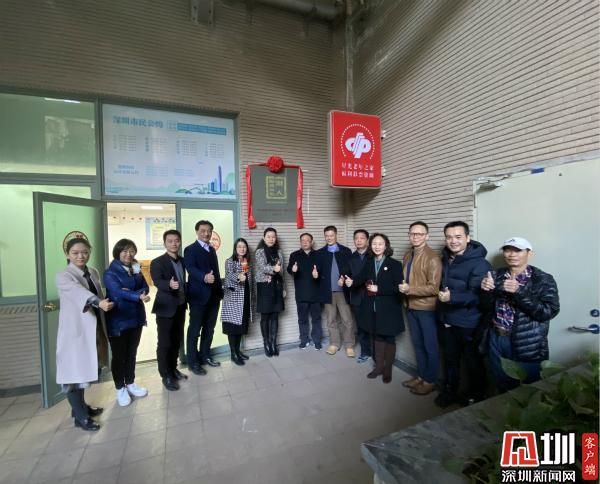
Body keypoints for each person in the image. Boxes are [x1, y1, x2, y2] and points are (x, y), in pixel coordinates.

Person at [481, 237, 559, 392]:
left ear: (530, 254)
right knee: (501, 383)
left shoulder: (542, 279)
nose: (512, 254)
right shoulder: (496, 275)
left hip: (527, 342)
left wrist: (519, 292)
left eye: (518, 250)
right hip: (496, 337)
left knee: (528, 389)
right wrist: (485, 291)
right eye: (508, 250)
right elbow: (485, 307)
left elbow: (548, 312)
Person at [55, 237, 112, 431]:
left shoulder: (92, 272)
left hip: (93, 328)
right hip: (74, 333)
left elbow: (99, 292)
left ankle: (80, 408)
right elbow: (78, 292)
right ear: (67, 254)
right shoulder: (63, 276)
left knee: (84, 371)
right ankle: (81, 418)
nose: (81, 256)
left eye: (85, 252)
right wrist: (98, 302)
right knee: (72, 375)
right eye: (75, 253)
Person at [436, 221, 491, 407]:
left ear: (468, 238)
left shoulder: (481, 264)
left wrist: (452, 298)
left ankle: (477, 396)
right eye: (449, 237)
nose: (453, 241)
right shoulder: (445, 259)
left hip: (468, 323)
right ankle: (449, 391)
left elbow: (479, 296)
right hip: (447, 319)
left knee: (472, 362)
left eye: (458, 237)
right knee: (450, 359)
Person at [345, 233, 404, 383]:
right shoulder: (369, 263)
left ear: (386, 246)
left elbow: (399, 288)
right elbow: (360, 278)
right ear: (370, 246)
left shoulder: (395, 264)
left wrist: (379, 289)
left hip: (389, 309)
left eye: (380, 244)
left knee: (389, 338)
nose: (377, 246)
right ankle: (378, 367)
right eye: (374, 244)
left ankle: (387, 370)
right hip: (373, 308)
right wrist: (352, 282)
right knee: (377, 336)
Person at [103, 239, 150, 407]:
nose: (128, 254)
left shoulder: (136, 269)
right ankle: (120, 388)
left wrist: (131, 292)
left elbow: (146, 287)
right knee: (119, 356)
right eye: (124, 251)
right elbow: (116, 292)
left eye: (131, 251)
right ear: (117, 253)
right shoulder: (110, 273)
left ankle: (130, 383)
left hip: (136, 317)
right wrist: (136, 295)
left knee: (131, 353)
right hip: (118, 319)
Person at [399, 221, 442, 396]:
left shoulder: (433, 258)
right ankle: (421, 376)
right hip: (410, 306)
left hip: (426, 309)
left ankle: (430, 381)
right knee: (417, 344)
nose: (415, 237)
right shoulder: (408, 255)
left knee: (430, 346)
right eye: (412, 234)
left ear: (427, 236)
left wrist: (410, 289)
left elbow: (434, 288)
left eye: (419, 234)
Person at [184, 220, 224, 374]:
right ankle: (192, 362)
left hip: (213, 297)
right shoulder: (190, 249)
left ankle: (205, 356)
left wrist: (220, 291)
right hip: (198, 297)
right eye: (203, 230)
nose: (206, 234)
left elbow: (216, 272)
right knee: (194, 331)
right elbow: (191, 268)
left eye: (209, 231)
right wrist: (204, 277)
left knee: (209, 329)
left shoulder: (212, 249)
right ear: (197, 232)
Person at [150, 229, 188, 392]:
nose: (174, 243)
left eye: (176, 240)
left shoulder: (182, 261)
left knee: (176, 340)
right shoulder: (157, 262)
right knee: (165, 342)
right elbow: (157, 281)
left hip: (180, 306)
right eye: (170, 241)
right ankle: (165, 375)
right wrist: (169, 285)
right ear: (165, 243)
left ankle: (173, 369)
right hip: (165, 308)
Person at [318, 225, 355, 357]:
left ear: (336, 235)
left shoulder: (346, 251)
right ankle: (334, 344)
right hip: (328, 292)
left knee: (347, 319)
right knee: (331, 319)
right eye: (326, 236)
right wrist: (316, 275)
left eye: (331, 235)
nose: (329, 238)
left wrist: (344, 277)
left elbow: (351, 269)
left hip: (343, 291)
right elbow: (318, 271)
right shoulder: (320, 253)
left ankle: (349, 345)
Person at [287, 233, 323, 350]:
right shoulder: (294, 255)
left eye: (307, 240)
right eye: (303, 240)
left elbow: (323, 271)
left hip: (316, 293)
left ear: (312, 242)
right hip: (301, 293)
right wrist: (293, 270)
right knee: (302, 319)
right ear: (300, 242)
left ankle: (317, 340)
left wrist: (318, 274)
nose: (305, 242)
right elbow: (289, 270)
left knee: (316, 318)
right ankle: (304, 340)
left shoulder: (318, 255)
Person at [221, 238, 254, 366]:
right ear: (235, 248)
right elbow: (230, 274)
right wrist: (238, 276)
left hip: (245, 297)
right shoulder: (230, 261)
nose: (242, 249)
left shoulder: (246, 262)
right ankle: (233, 354)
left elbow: (249, 279)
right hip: (233, 299)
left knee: (240, 326)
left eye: (244, 246)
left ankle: (238, 351)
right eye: (239, 246)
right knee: (232, 327)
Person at [255, 227, 285, 357]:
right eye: (269, 236)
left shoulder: (279, 252)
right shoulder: (259, 251)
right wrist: (274, 269)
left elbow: (282, 271)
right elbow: (262, 267)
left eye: (273, 237)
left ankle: (273, 343)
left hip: (277, 286)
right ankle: (266, 343)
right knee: (265, 316)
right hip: (264, 286)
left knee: (275, 315)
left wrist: (284, 288)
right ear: (264, 238)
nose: (271, 239)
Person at [348, 229, 371, 363]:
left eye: (362, 238)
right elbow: (346, 274)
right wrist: (343, 279)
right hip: (357, 296)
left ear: (367, 240)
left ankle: (377, 353)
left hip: (372, 296)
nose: (359, 240)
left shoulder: (373, 255)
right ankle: (365, 352)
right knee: (361, 326)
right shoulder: (351, 257)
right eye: (356, 238)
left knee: (374, 325)